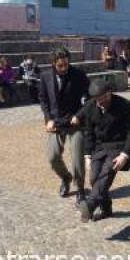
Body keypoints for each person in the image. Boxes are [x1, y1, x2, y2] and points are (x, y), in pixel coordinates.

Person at [76, 80, 130, 222]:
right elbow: (89, 133)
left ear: (108, 93)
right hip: (99, 147)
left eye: (102, 98)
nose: (99, 103)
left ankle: (90, 204)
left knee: (107, 172)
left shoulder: (125, 105)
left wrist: (125, 154)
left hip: (118, 147)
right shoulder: (90, 106)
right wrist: (87, 156)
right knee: (94, 179)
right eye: (96, 100)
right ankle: (106, 209)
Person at [39, 47, 90, 206]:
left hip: (75, 122)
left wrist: (79, 116)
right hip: (55, 122)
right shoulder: (45, 76)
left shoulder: (79, 75)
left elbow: (89, 99)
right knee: (53, 157)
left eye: (66, 65)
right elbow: (43, 100)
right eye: (60, 65)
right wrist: (48, 119)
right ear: (53, 63)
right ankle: (66, 178)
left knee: (77, 159)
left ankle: (80, 189)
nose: (64, 68)